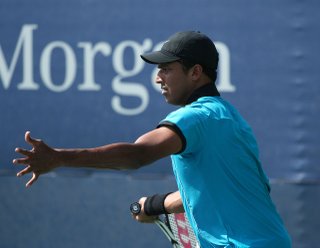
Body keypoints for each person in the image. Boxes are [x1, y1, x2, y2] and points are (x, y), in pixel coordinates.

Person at [13, 31, 291, 247]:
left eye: (167, 69)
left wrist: (60, 158)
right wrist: (155, 205)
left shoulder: (197, 117)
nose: (158, 78)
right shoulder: (231, 119)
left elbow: (137, 155)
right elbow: (212, 192)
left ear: (195, 72)